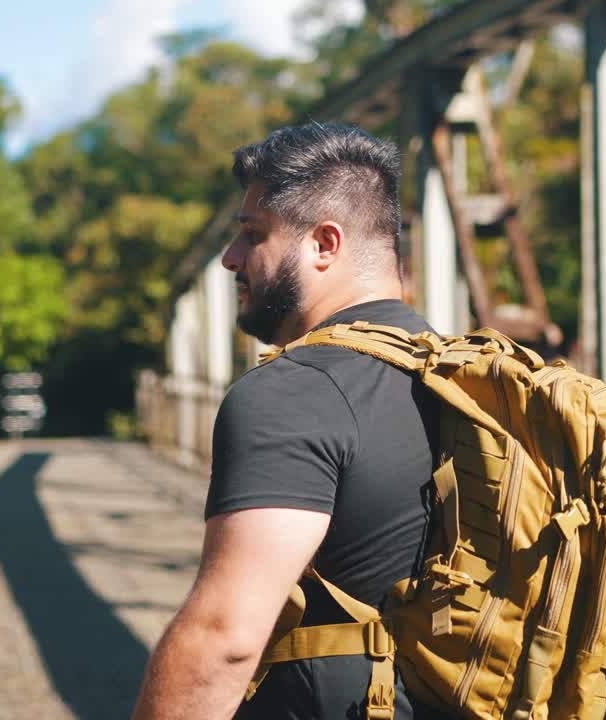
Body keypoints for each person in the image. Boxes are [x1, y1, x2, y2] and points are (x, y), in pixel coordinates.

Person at [131, 123, 443, 720]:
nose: (230, 258)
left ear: (324, 244)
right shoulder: (467, 380)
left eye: (253, 235)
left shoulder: (294, 392)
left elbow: (224, 640)